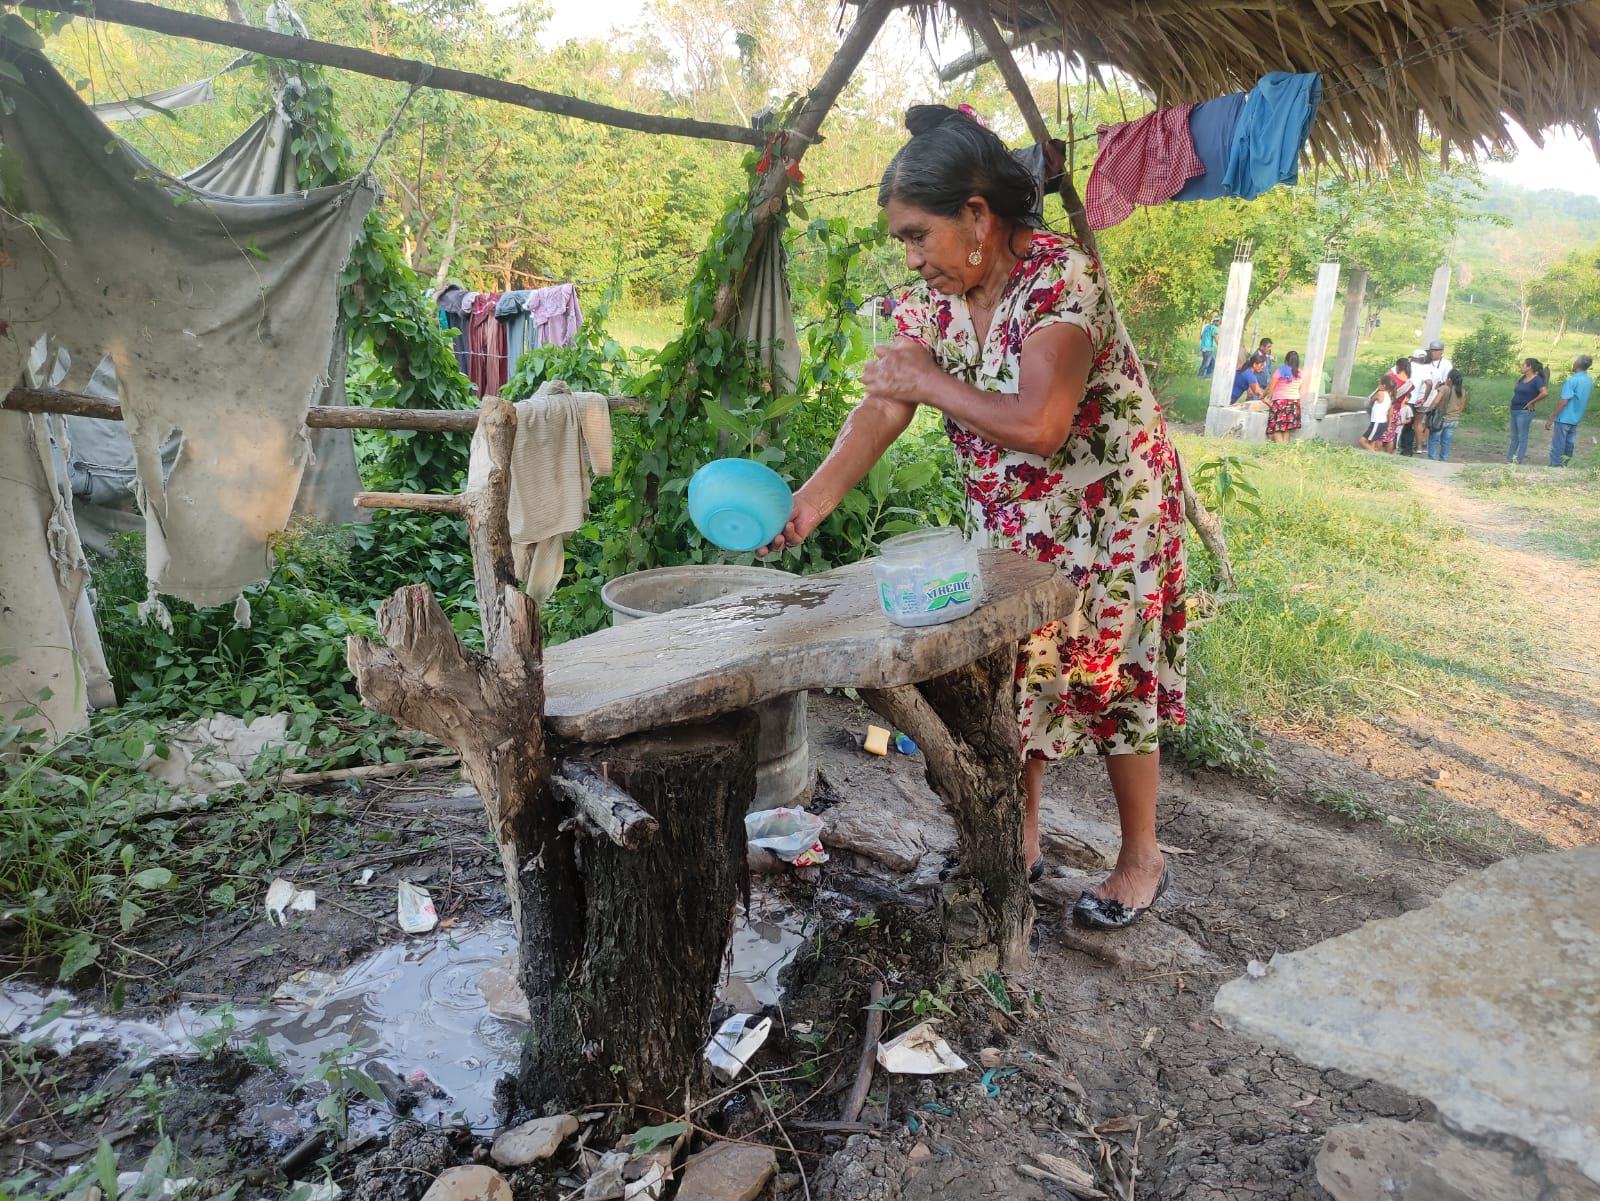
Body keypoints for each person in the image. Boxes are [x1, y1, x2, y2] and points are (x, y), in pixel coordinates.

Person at [763, 103, 1186, 932]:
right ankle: (1018, 839)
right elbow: (884, 407)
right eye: (904, 243)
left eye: (919, 235)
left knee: (1114, 677)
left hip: (1111, 511)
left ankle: (1141, 856)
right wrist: (810, 501)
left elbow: (1042, 423)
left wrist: (931, 386)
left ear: (978, 218)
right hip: (1013, 519)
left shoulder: (1061, 281)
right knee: (1017, 672)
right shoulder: (934, 303)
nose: (913, 257)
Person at [1547, 354, 1593, 467]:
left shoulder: (1571, 381)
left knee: (1558, 443)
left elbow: (1564, 402)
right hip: (1576, 417)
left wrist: (1551, 418)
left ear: (1577, 364)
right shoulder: (1589, 381)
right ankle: (1565, 464)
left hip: (1564, 417)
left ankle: (1555, 465)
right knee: (1569, 443)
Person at [1508, 358, 1548, 464]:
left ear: (1529, 366)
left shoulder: (1537, 379)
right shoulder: (1522, 378)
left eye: (1523, 365)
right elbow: (1516, 389)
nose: (1521, 367)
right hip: (1514, 410)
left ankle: (1518, 459)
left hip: (1524, 412)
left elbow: (1544, 393)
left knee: (1522, 436)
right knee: (1514, 436)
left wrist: (1532, 402)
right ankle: (1509, 458)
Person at [1426, 368, 1467, 461]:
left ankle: (1431, 460)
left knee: (1434, 440)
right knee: (1446, 441)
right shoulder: (1463, 391)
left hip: (1441, 419)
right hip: (1454, 420)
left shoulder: (1444, 388)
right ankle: (1443, 460)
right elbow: (1461, 407)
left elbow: (1436, 402)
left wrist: (1429, 410)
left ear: (1449, 379)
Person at [1266, 350, 1303, 443]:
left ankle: (1280, 450)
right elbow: (1300, 389)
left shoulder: (1280, 371)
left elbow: (1270, 388)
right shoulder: (1300, 373)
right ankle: (1285, 451)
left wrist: (1263, 395)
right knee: (1287, 428)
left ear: (1286, 360)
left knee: (1277, 429)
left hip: (1280, 403)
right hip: (1294, 403)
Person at [1360, 376, 1393, 452]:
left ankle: (1376, 454)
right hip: (1381, 422)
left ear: (1383, 386)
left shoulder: (1380, 393)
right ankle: (1372, 457)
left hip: (1377, 422)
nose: (1378, 386)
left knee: (1362, 441)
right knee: (1371, 442)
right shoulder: (1388, 396)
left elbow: (1370, 401)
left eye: (1379, 384)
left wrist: (1376, 391)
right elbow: (1389, 413)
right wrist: (1388, 426)